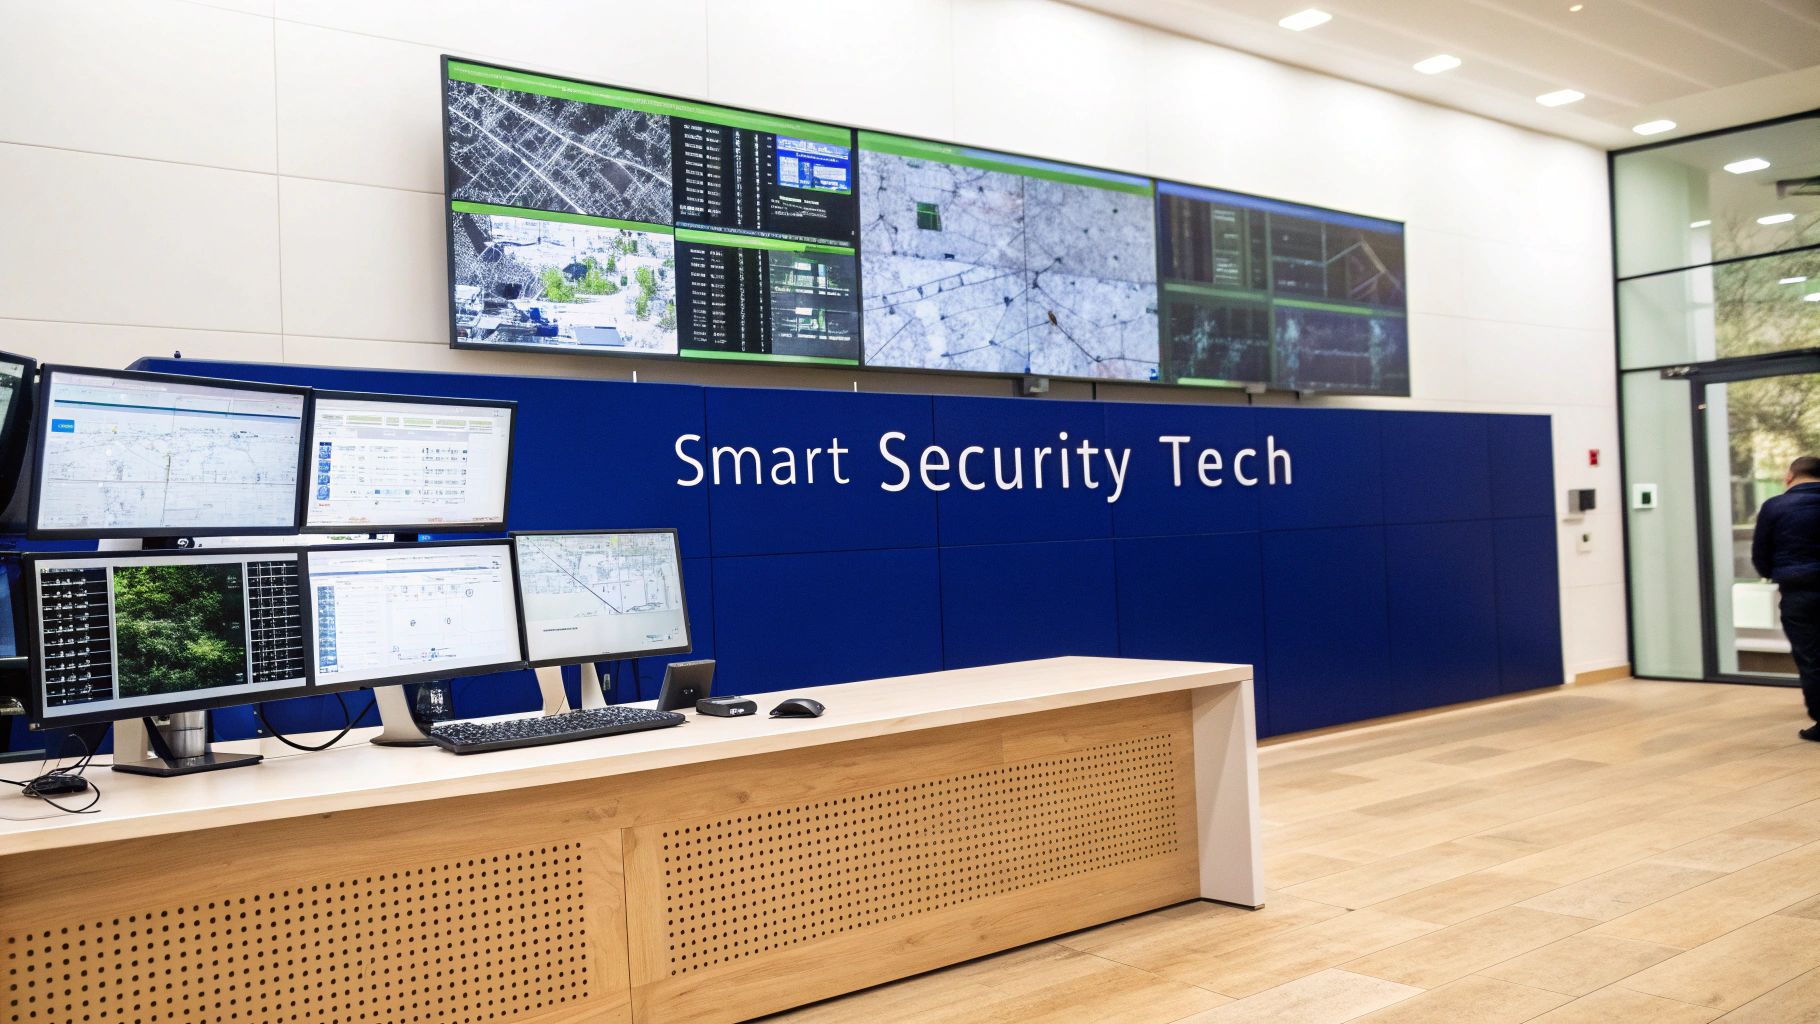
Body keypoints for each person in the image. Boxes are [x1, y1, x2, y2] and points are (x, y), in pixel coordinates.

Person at [1752, 455, 1820, 741]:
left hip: (1799, 593)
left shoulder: (1775, 506)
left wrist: (1776, 574)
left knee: (1811, 657)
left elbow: (1761, 554)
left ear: (1790, 476)